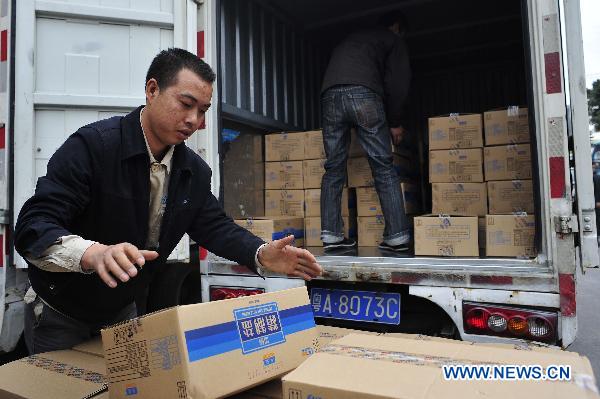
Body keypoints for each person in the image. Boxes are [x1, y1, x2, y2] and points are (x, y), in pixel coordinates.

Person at [14, 48, 322, 354]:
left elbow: (214, 226)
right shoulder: (94, 147)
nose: (194, 120)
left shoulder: (194, 171)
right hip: (60, 313)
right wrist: (93, 254)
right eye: (186, 104)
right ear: (152, 90)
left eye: (202, 110)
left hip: (121, 314)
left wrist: (259, 253)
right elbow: (33, 227)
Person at [320, 12, 412, 252]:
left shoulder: (350, 39)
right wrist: (396, 121)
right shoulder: (393, 39)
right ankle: (397, 236)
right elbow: (398, 82)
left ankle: (331, 235)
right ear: (396, 26)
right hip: (363, 94)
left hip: (329, 95)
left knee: (333, 167)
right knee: (382, 165)